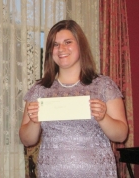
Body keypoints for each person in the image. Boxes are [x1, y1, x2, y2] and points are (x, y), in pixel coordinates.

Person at [19, 20, 128, 177]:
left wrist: (103, 118)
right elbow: (26, 139)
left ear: (80, 45)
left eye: (67, 42)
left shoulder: (103, 85)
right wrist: (35, 122)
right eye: (55, 44)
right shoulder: (40, 89)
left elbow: (121, 135)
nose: (61, 49)